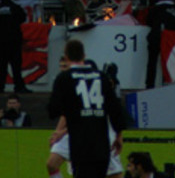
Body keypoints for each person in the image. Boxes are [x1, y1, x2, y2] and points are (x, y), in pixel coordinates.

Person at [48, 40, 125, 178]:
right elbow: (115, 110)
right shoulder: (101, 77)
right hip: (101, 145)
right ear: (84, 55)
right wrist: (119, 135)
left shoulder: (64, 78)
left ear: (66, 57)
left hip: (80, 144)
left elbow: (53, 110)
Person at [145, 0, 175, 88]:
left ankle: (149, 84)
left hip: (154, 35)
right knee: (167, 62)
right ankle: (166, 83)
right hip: (169, 39)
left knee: (152, 61)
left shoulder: (154, 8)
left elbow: (148, 21)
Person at [0, 0, 31, 93]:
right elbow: (23, 18)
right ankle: (18, 86)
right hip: (14, 40)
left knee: (1, 65)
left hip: (1, 40)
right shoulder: (15, 8)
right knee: (16, 65)